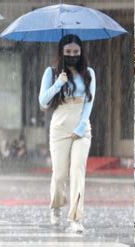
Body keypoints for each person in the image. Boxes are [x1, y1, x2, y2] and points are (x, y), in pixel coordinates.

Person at [38, 34, 96, 233]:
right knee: (60, 174)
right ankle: (55, 206)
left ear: (81, 53)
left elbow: (89, 102)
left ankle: (76, 218)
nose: (73, 56)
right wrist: (58, 84)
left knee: (78, 172)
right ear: (62, 53)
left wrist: (81, 126)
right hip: (59, 127)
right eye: (69, 52)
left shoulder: (89, 73)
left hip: (81, 127)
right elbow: (43, 102)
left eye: (76, 52)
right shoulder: (52, 72)